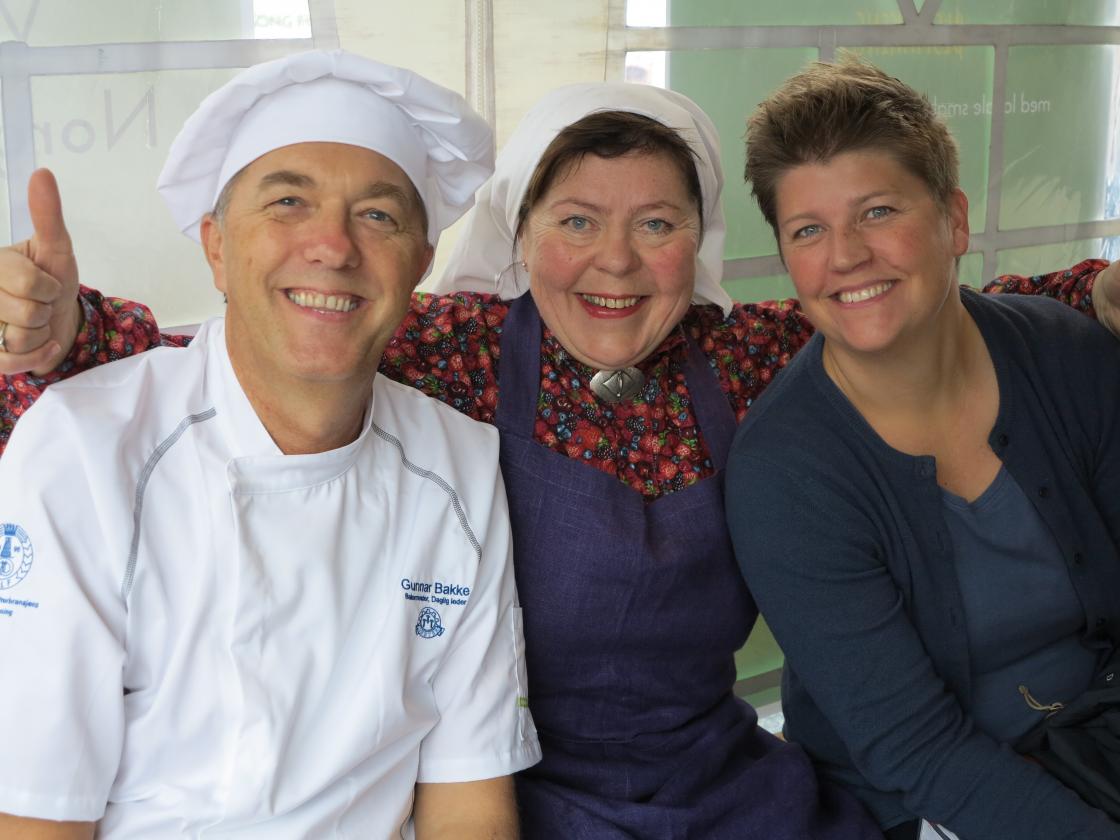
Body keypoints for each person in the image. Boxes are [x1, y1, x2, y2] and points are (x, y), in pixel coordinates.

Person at [0, 76, 1113, 838]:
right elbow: (271, 340)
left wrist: (1094, 293)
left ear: (703, 240)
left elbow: (922, 307)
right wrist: (64, 331)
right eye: (575, 222)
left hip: (730, 791)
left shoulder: (744, 354)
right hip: (524, 800)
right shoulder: (457, 349)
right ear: (518, 235)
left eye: (658, 225)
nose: (615, 266)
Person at [0, 50, 541, 838]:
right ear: (216, 246)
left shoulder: (459, 461)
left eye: (379, 215)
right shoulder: (85, 450)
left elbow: (468, 793)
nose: (332, 246)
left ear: (420, 266)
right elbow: (40, 817)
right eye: (288, 201)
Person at [726, 56, 1120, 840]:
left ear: (955, 219)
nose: (844, 256)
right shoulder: (784, 471)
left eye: (877, 212)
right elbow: (917, 749)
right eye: (808, 230)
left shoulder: (1070, 358)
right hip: (927, 803)